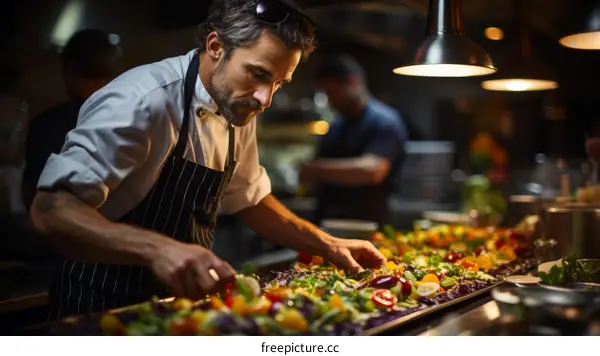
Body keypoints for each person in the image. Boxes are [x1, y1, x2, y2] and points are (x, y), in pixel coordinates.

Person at [29, 0, 386, 321]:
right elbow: (51, 210)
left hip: (177, 310)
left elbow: (251, 199)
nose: (266, 99)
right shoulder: (143, 100)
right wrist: (158, 249)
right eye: (260, 73)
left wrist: (329, 245)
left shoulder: (238, 105)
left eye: (280, 83)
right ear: (216, 46)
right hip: (100, 306)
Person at [299, 55, 408, 225]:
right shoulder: (336, 125)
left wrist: (316, 169)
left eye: (333, 92)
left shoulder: (384, 121)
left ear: (351, 82)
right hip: (328, 221)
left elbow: (373, 170)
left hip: (366, 224)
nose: (330, 101)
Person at [21, 29, 123, 212]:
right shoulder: (129, 118)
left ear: (69, 69)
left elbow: (33, 197)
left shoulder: (45, 125)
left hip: (63, 232)